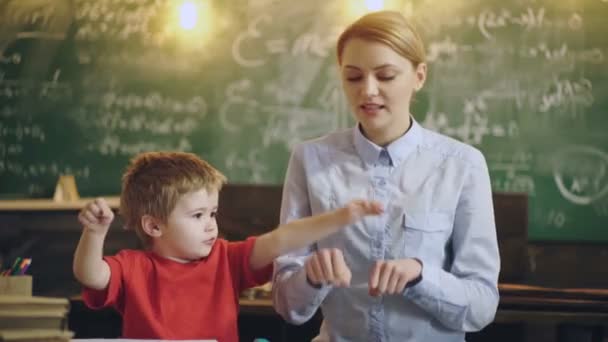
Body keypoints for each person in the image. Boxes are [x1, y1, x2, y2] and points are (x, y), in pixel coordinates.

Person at [272, 10, 500, 341]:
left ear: (419, 76)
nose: (368, 91)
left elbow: (482, 306)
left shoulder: (462, 165)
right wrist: (311, 277)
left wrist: (421, 277)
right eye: (353, 77)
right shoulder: (310, 159)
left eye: (386, 76)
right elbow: (286, 306)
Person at [73, 151, 383, 341]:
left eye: (213, 213)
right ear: (154, 226)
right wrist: (95, 234)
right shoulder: (133, 266)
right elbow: (91, 276)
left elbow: (281, 238)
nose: (210, 224)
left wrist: (341, 217)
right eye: (197, 215)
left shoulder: (226, 258)